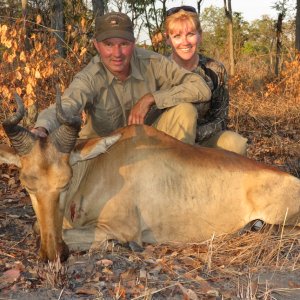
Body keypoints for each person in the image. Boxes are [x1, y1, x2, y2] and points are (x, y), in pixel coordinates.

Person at [32, 12, 211, 145]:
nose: (117, 54)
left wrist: (151, 98)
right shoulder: (90, 76)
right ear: (96, 45)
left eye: (124, 44)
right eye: (109, 45)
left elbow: (201, 88)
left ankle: (176, 184)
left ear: (133, 43)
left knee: (185, 111)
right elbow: (67, 104)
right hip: (106, 152)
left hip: (148, 145)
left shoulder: (152, 62)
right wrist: (42, 128)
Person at [165, 6, 248, 155]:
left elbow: (220, 118)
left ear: (200, 36)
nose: (185, 42)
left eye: (190, 34)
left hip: (203, 138)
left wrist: (193, 136)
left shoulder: (215, 69)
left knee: (235, 144)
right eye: (177, 36)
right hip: (167, 139)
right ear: (168, 40)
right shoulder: (158, 68)